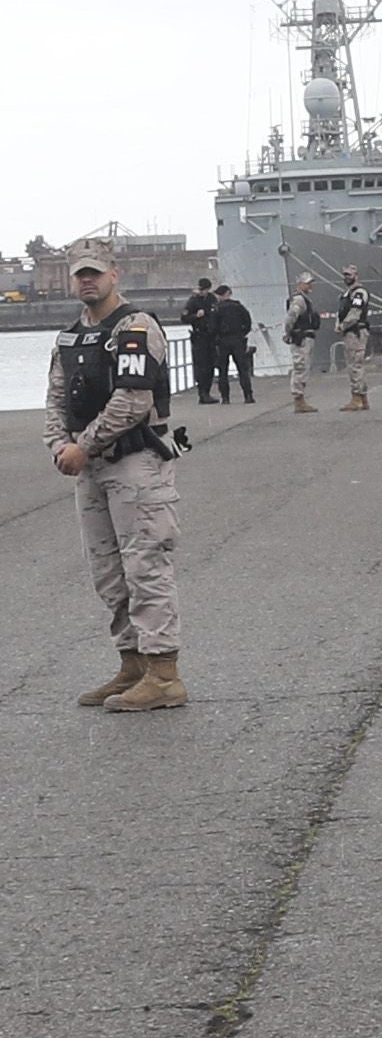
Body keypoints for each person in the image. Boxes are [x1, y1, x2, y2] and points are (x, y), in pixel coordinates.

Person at [49, 247, 188, 713]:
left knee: (145, 565)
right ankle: (132, 665)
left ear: (114, 274)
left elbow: (133, 400)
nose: (86, 281)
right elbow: (55, 399)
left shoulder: (136, 327)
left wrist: (83, 445)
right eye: (79, 275)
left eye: (94, 273)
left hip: (135, 463)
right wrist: (59, 445)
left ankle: (163, 674)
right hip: (90, 468)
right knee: (107, 571)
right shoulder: (70, 337)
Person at [334, 268, 375, 410]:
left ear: (356, 276)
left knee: (355, 365)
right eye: (344, 275)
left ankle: (357, 398)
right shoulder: (346, 294)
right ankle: (363, 399)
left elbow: (355, 313)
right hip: (349, 332)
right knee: (354, 364)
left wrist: (342, 326)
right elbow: (341, 312)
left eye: (349, 275)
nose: (346, 277)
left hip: (356, 332)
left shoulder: (359, 293)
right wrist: (338, 325)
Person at [284, 275, 323, 414]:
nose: (310, 286)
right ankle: (299, 400)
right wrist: (288, 333)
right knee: (300, 367)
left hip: (306, 337)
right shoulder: (299, 300)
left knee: (303, 367)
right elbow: (290, 318)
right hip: (301, 338)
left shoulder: (305, 299)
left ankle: (300, 399)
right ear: (300, 284)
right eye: (307, 283)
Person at [210, 289, 255, 404]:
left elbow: (212, 327)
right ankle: (248, 395)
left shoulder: (216, 309)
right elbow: (248, 322)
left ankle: (225, 398)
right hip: (238, 340)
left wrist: (216, 339)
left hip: (223, 341)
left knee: (223, 371)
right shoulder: (238, 306)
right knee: (243, 369)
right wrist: (242, 333)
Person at [182, 278, 220, 403]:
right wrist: (195, 316)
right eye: (201, 289)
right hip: (199, 337)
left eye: (204, 290)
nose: (202, 292)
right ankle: (202, 393)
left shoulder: (212, 300)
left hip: (211, 337)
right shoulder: (193, 301)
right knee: (201, 366)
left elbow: (217, 315)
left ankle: (207, 392)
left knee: (211, 365)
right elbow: (184, 318)